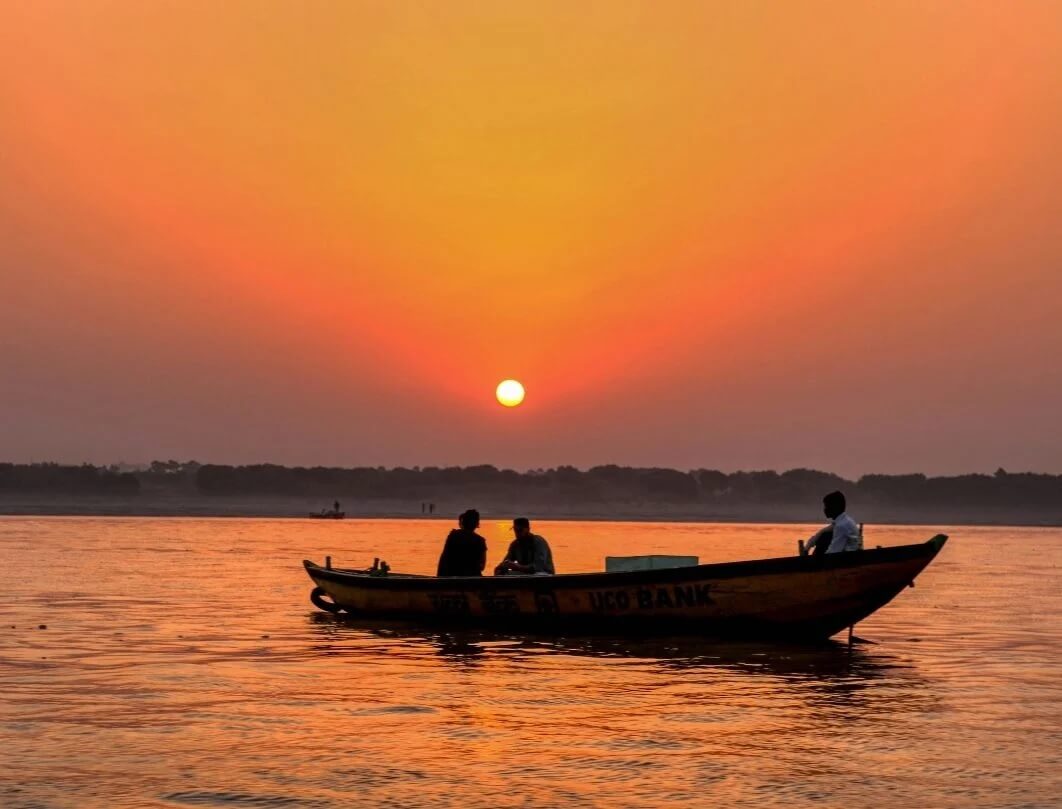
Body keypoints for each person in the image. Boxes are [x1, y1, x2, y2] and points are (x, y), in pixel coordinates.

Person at [805, 490, 862, 555]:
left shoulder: (841, 526)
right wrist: (807, 548)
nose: (825, 509)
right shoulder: (844, 520)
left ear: (834, 507)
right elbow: (822, 532)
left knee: (825, 538)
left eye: (826, 506)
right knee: (824, 535)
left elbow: (833, 552)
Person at [437, 509, 487, 577]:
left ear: (463, 522)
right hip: (472, 579)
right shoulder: (480, 541)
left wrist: (440, 579)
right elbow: (482, 567)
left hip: (451, 577)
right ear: (477, 524)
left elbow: (443, 561)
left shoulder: (453, 536)